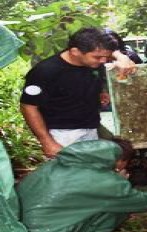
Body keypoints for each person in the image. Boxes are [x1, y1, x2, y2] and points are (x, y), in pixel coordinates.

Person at [19, 27, 136, 158]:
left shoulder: (93, 63)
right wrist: (47, 141)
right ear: (75, 51)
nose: (103, 61)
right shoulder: (46, 71)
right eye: (98, 57)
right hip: (62, 134)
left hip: (91, 128)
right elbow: (28, 107)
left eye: (106, 57)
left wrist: (100, 91)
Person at [16, 139, 147, 232]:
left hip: (16, 225)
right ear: (120, 161)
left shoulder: (56, 164)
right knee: (116, 211)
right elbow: (145, 202)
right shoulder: (107, 183)